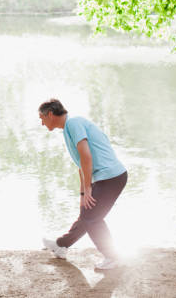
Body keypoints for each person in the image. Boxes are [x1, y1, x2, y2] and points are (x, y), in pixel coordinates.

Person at [39, 99, 127, 270]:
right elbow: (82, 164)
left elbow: (87, 157)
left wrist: (88, 189)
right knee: (86, 214)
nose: (42, 123)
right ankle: (61, 245)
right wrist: (83, 194)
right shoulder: (68, 128)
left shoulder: (73, 123)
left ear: (50, 114)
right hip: (108, 177)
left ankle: (113, 257)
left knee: (91, 218)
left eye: (42, 118)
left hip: (111, 177)